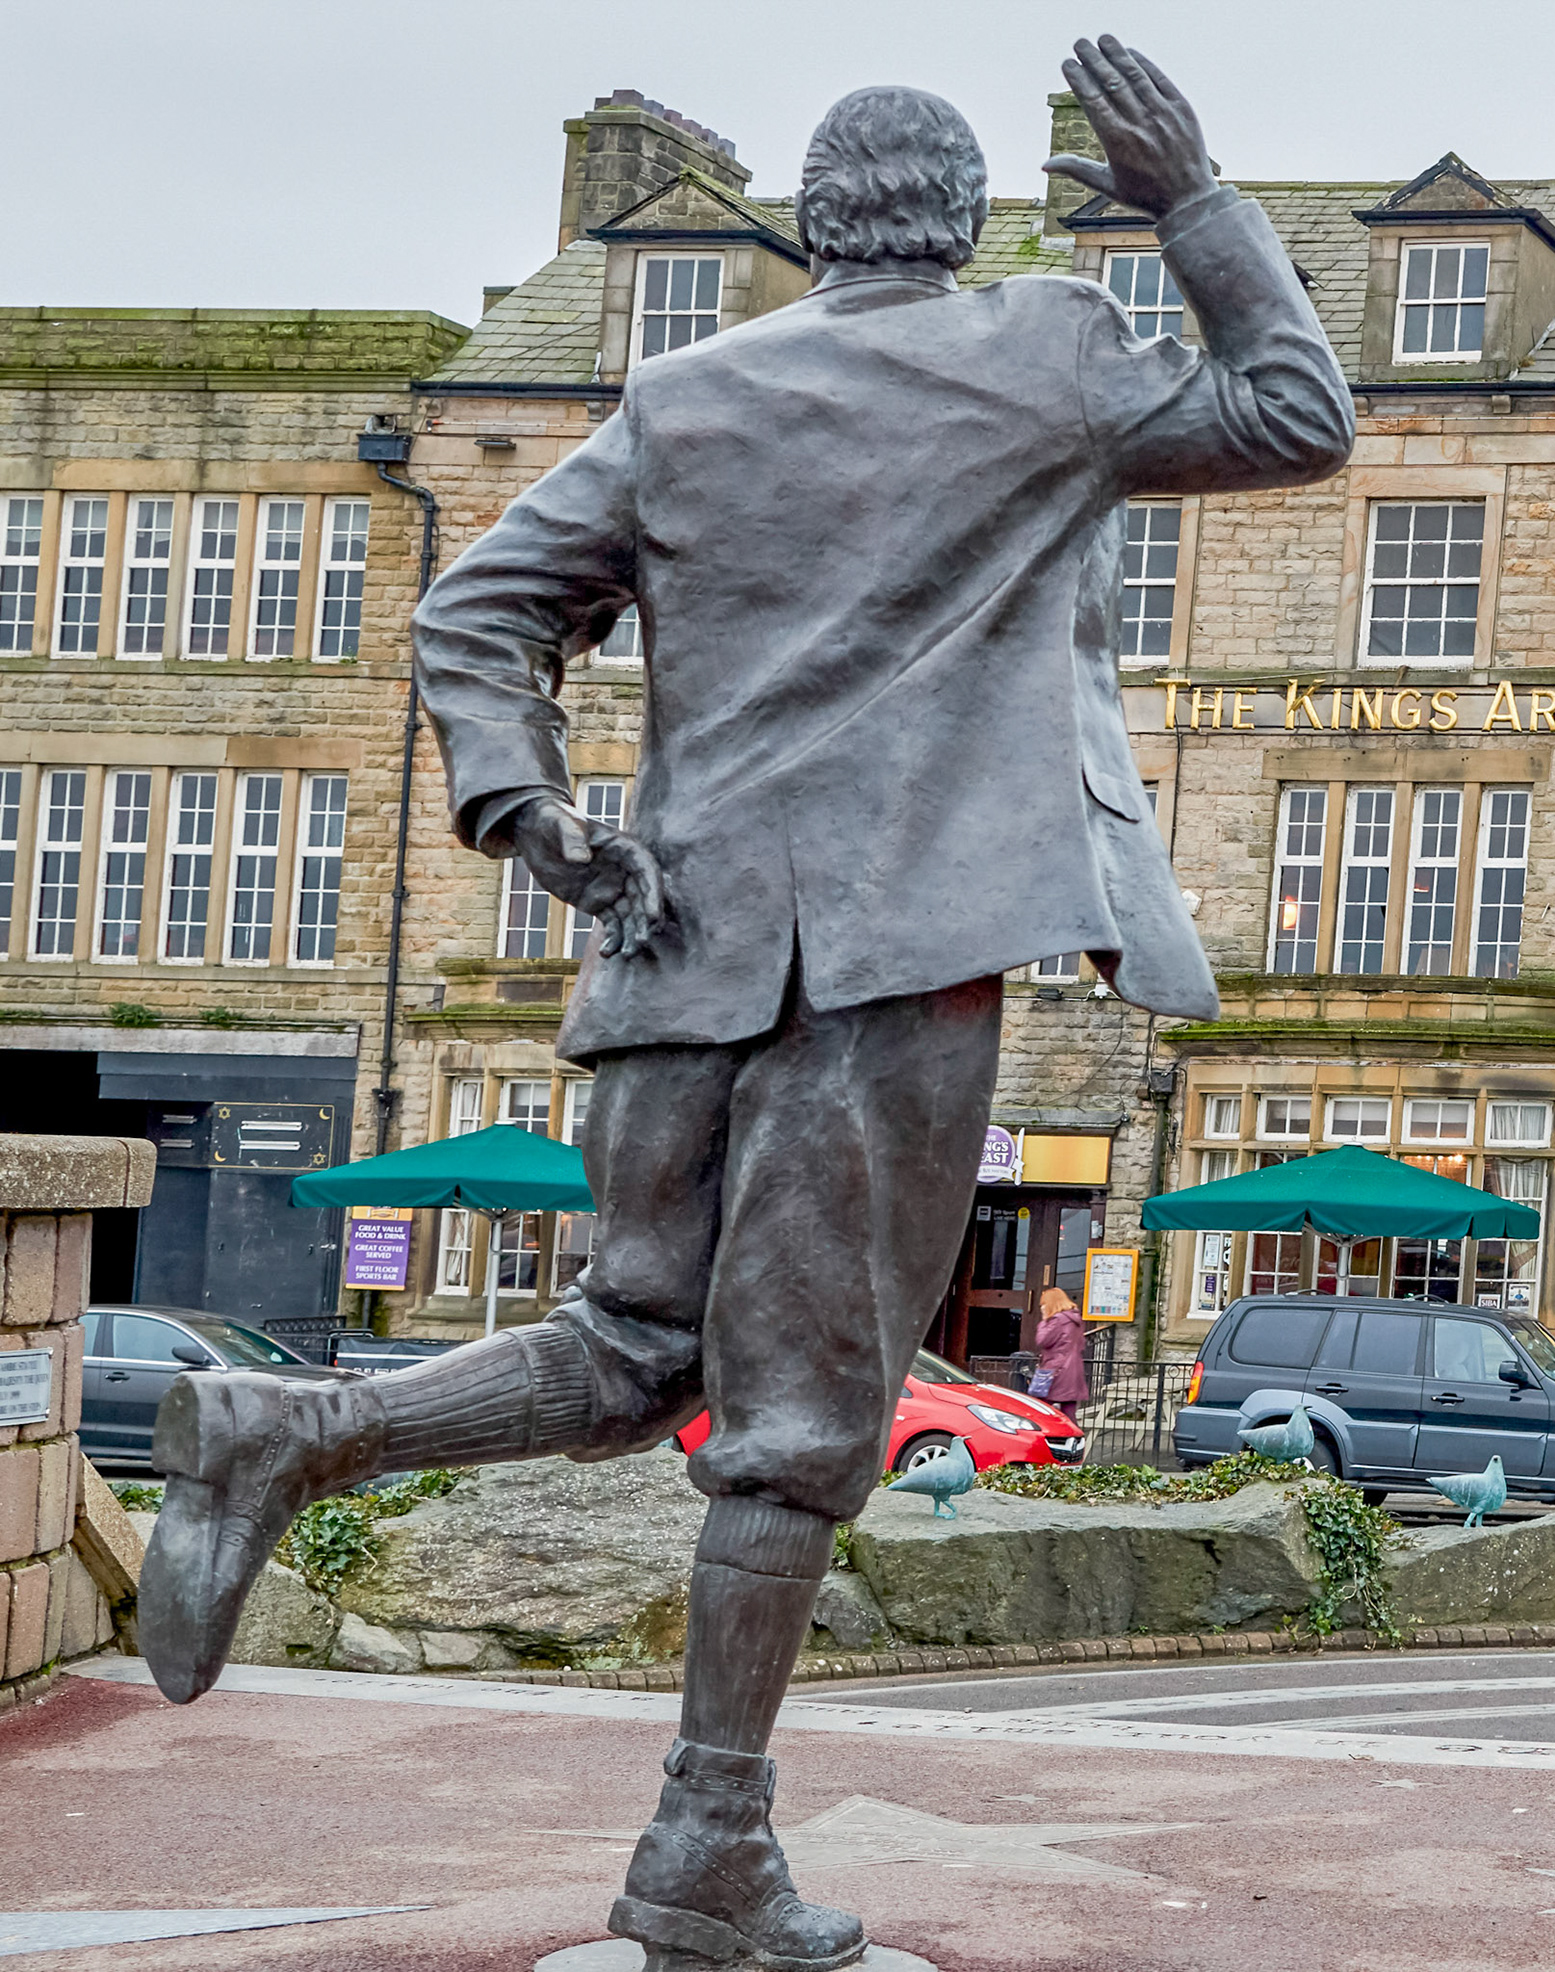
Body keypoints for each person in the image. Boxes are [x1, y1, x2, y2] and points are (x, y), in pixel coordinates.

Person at [138, 35, 1351, 1972]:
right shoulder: (1043, 345)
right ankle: (705, 1847)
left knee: (631, 1347)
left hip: (672, 945)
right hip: (885, 969)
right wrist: (1190, 194)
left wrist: (535, 812)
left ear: (807, 225)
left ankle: (297, 1423)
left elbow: (473, 613)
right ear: (961, 228)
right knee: (795, 1431)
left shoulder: (682, 398)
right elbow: (1297, 406)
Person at [1034, 1286, 1092, 1422]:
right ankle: (1075, 1440)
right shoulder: (1075, 1320)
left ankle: (1046, 1438)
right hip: (1073, 1370)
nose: (1042, 1307)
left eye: (1044, 1304)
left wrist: (1044, 1321)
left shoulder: (1057, 1320)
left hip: (1056, 1370)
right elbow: (1081, 1344)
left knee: (1039, 1407)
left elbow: (1042, 1340)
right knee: (1069, 1412)